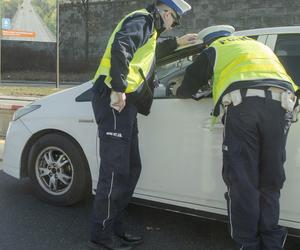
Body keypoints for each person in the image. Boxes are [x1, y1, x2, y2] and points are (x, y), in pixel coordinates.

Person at [176, 25, 299, 250]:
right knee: (270, 179)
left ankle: (248, 244)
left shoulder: (214, 49)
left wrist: (180, 89)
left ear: (208, 42)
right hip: (283, 105)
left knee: (243, 180)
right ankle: (272, 243)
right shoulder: (257, 46)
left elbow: (187, 88)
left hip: (245, 108)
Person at [89, 1, 196, 250]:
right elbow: (122, 46)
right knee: (115, 171)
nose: (173, 26)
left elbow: (148, 54)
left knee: (130, 168)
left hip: (126, 105)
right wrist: (117, 89)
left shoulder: (150, 28)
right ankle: (101, 233)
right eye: (175, 20)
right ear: (167, 13)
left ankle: (114, 226)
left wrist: (178, 43)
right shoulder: (143, 20)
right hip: (114, 99)